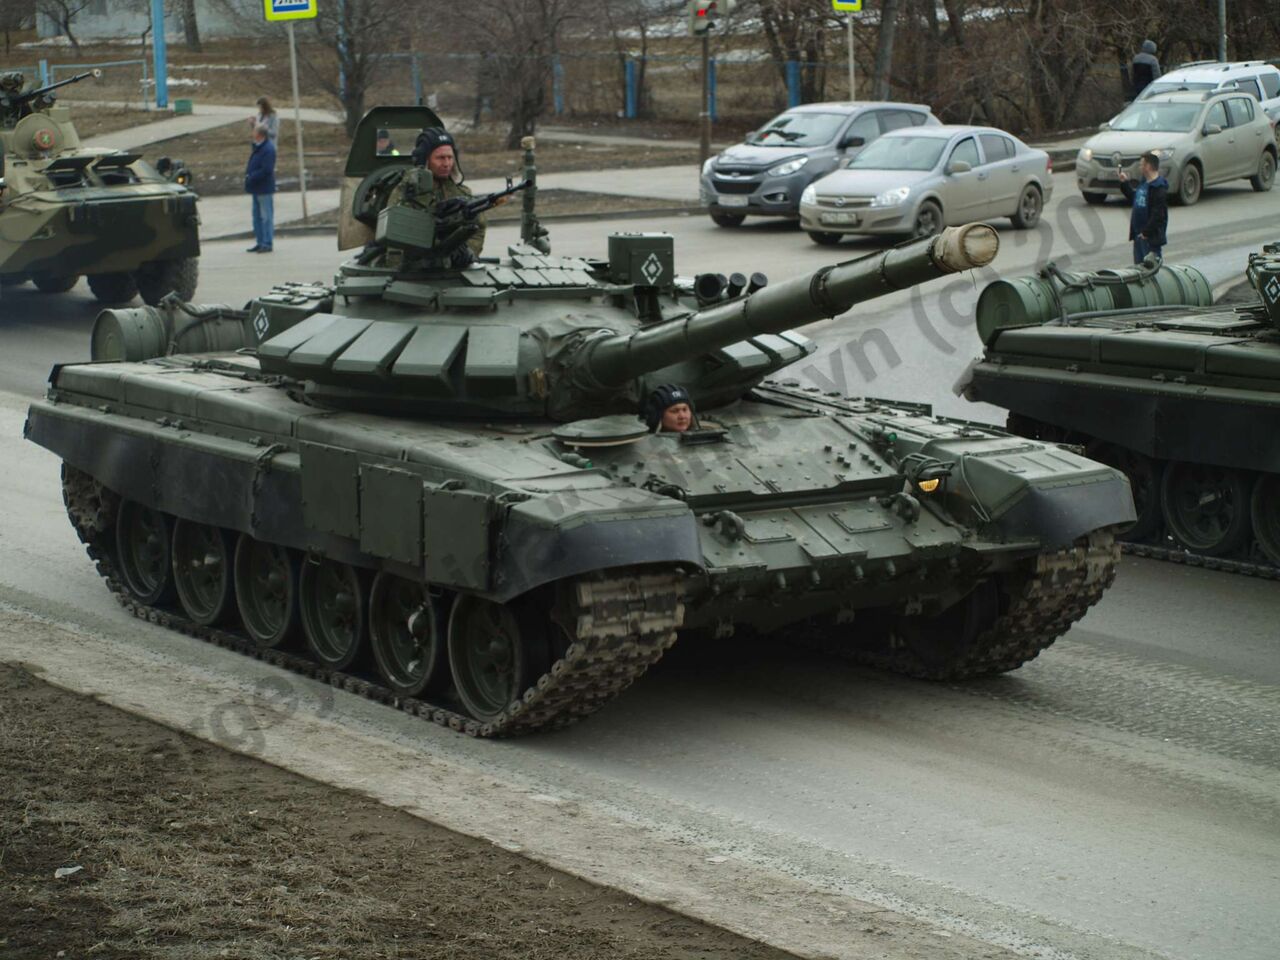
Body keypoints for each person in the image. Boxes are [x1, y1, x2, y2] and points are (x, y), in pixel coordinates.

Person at [384, 126, 487, 263]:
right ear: (425, 160)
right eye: (440, 158)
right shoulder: (407, 193)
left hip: (451, 272)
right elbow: (394, 237)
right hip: (414, 273)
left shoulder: (462, 193)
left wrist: (468, 252)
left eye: (450, 157)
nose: (446, 163)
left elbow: (479, 226)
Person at [1119, 151, 1168, 264]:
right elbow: (1134, 198)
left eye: (1141, 164)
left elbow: (1158, 215)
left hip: (1150, 239)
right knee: (1139, 271)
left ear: (1148, 166)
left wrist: (1146, 233)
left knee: (1151, 271)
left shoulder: (1158, 188)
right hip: (1139, 236)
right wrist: (1124, 183)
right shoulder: (1144, 183)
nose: (1140, 167)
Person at [244, 122, 277, 254]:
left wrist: (251, 176)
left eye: (255, 132)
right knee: (256, 217)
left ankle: (267, 243)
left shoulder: (268, 149)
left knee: (266, 217)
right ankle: (260, 241)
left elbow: (266, 169)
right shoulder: (258, 147)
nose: (253, 134)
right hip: (256, 188)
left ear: (260, 135)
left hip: (264, 188)